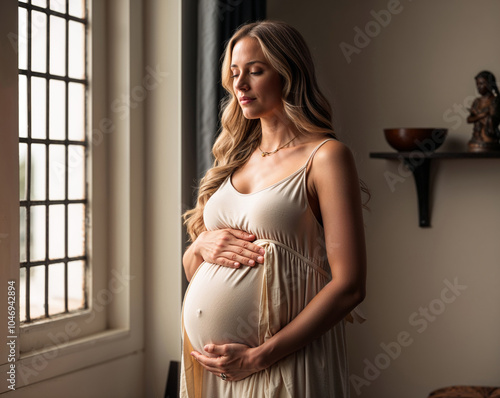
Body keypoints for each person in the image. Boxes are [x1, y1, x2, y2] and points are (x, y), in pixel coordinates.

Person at [180, 20, 367, 398]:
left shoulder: (326, 157)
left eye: (255, 71)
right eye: (234, 74)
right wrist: (199, 247)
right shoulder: (235, 158)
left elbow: (350, 287)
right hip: (214, 368)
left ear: (288, 73)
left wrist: (258, 357)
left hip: (281, 362)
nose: (240, 85)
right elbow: (193, 271)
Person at [467, 70, 500, 152]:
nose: (479, 86)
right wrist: (481, 115)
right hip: (476, 138)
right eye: (477, 84)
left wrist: (477, 114)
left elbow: (493, 121)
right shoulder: (476, 101)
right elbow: (469, 119)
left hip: (488, 138)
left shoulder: (495, 101)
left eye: (482, 83)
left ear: (489, 84)